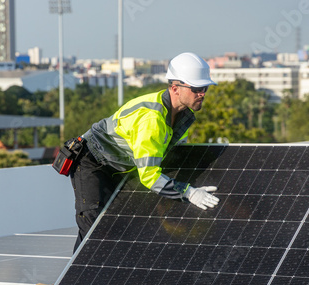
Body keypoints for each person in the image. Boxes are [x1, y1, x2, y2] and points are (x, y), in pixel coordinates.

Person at [69, 52, 220, 254]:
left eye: (205, 88)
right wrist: (188, 192)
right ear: (175, 88)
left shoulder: (179, 113)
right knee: (95, 234)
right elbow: (149, 176)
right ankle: (74, 283)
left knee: (122, 225)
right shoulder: (152, 120)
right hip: (92, 164)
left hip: (119, 168)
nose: (202, 93)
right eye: (197, 88)